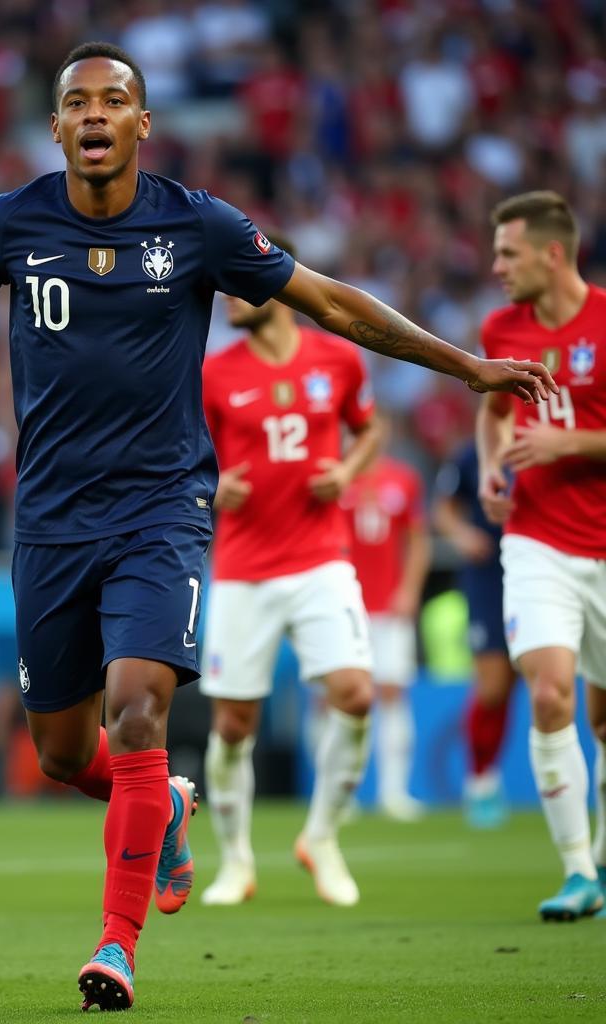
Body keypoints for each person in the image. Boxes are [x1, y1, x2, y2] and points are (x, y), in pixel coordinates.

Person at [0, 43, 554, 1010]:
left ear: (141, 123)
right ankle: (161, 803)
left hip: (162, 513)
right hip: (48, 524)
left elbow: (328, 300)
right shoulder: (8, 223)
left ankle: (115, 947)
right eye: (77, 101)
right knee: (66, 754)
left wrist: (468, 367)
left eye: (114, 100)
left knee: (138, 710)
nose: (94, 114)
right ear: (56, 126)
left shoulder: (199, 225)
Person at [198, 255, 380, 908]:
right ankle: (236, 860)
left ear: (274, 287)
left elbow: (370, 427)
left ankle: (322, 836)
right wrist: (213, 487)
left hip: (321, 559)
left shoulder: (338, 360)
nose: (226, 300)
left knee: (356, 693)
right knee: (236, 720)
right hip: (244, 570)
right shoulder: (212, 374)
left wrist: (349, 471)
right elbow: (183, 458)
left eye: (237, 287)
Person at [477, 190, 606, 922]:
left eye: (508, 253)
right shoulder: (502, 327)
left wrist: (569, 444)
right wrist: (494, 464)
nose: (496, 267)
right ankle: (578, 872)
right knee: (550, 691)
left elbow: (565, 434)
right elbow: (491, 410)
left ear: (552, 254)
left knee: (605, 716)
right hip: (536, 540)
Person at [341, 429, 431, 823]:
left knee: (392, 691)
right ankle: (342, 794)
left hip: (389, 604)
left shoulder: (403, 478)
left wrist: (409, 590)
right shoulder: (337, 476)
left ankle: (394, 792)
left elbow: (419, 540)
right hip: (345, 604)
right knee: (336, 697)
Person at [432, 439, 517, 829]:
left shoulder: (545, 438)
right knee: (493, 686)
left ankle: (490, 778)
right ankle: (480, 780)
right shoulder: (473, 451)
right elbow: (444, 509)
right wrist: (464, 537)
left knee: (520, 683)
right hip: (488, 577)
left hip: (537, 568)